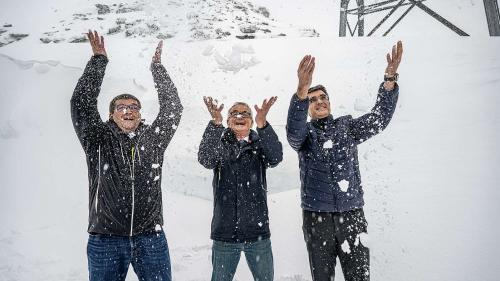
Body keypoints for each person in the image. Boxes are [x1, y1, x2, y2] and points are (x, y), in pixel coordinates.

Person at [70, 30, 183, 281]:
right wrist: (98, 61)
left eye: (134, 107)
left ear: (140, 114)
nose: (128, 111)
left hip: (150, 237)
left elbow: (173, 108)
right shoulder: (97, 139)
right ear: (111, 115)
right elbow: (81, 103)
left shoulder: (153, 139)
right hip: (106, 239)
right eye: (121, 107)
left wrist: (157, 69)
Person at [286, 41, 403, 281]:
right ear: (307, 108)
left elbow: (379, 118)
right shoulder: (305, 135)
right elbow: (292, 133)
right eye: (312, 99)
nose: (319, 101)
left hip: (352, 216)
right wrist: (300, 91)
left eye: (323, 97)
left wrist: (389, 82)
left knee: (359, 277)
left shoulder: (346, 127)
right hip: (317, 218)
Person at [198, 96, 283, 281]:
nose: (239, 115)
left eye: (245, 113)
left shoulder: (259, 147)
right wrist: (215, 124)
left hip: (257, 234)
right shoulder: (220, 147)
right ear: (228, 121)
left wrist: (264, 126)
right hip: (224, 234)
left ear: (252, 121)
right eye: (234, 113)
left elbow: (275, 157)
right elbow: (205, 159)